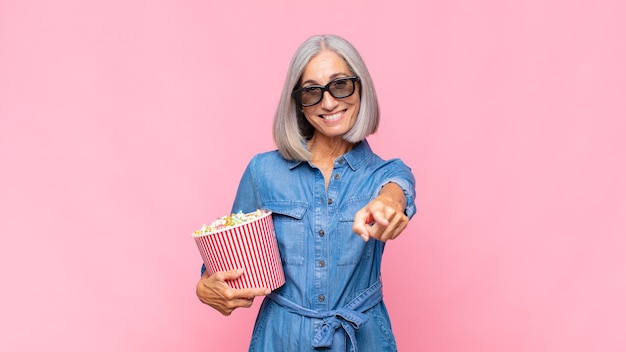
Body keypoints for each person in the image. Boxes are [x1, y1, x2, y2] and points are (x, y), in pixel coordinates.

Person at [196, 34, 416, 352]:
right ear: (298, 102)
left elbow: (397, 193)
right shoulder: (262, 171)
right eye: (312, 92)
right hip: (280, 339)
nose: (328, 103)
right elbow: (217, 268)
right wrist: (206, 289)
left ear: (361, 86)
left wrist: (389, 205)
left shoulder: (386, 173)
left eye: (340, 85)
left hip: (362, 340)